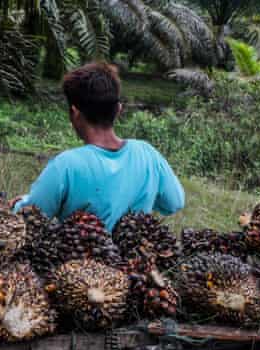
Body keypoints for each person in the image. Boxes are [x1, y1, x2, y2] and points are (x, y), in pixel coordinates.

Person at [13, 62, 185, 230]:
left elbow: (30, 218)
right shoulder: (147, 154)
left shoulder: (65, 165)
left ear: (74, 113)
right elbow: (174, 203)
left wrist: (20, 203)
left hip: (81, 258)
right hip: (137, 257)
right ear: (118, 110)